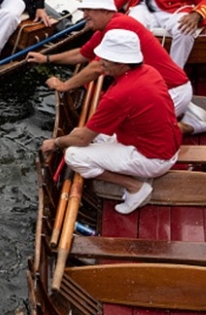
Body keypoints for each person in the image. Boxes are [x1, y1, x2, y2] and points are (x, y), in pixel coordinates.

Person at [26, 0, 206, 135]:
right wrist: (46, 58)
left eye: (88, 10)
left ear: (105, 11)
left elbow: (96, 67)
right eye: (84, 10)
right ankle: (180, 114)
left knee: (126, 133)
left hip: (171, 91)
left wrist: (64, 86)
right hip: (162, 89)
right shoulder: (106, 29)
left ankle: (190, 125)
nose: (84, 15)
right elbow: (83, 54)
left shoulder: (119, 28)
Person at [41, 29, 181, 215]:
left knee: (74, 155)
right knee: (77, 132)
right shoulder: (149, 71)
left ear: (122, 63)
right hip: (168, 147)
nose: (101, 62)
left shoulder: (119, 94)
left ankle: (135, 187)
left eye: (106, 59)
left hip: (154, 159)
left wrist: (56, 142)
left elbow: (83, 139)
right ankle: (135, 172)